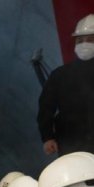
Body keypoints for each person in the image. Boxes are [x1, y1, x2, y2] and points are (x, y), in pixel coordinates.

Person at [37, 14, 94, 156]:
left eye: (90, 40)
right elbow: (46, 107)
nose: (84, 44)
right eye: (80, 40)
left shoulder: (60, 74)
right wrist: (48, 137)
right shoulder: (60, 75)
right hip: (70, 144)